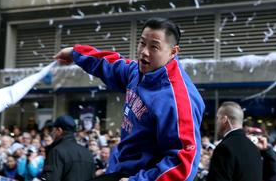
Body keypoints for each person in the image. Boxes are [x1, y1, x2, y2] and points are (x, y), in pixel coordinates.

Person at [54, 18, 205, 181]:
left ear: (173, 52)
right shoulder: (137, 71)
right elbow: (109, 64)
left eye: (154, 47)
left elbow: (183, 165)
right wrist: (75, 53)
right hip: (119, 169)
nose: (144, 52)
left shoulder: (178, 100)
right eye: (142, 43)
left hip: (140, 175)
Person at [207, 101, 262, 181]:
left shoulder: (224, 148)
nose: (216, 122)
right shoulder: (254, 148)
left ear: (224, 119)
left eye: (218, 118)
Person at [41, 115, 95, 181]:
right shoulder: (87, 153)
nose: (52, 133)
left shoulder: (56, 151)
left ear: (59, 130)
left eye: (53, 130)